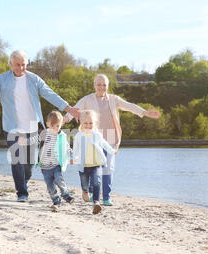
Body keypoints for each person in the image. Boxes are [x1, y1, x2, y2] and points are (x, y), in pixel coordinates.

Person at [0, 50, 81, 202]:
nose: (20, 68)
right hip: (12, 127)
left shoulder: (34, 79)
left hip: (32, 127)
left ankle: (24, 181)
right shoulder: (2, 79)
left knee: (29, 163)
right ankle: (22, 193)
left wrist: (69, 109)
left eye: (23, 65)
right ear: (11, 64)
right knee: (17, 159)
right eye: (17, 65)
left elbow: (50, 94)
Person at [65, 74, 160, 206]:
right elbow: (75, 109)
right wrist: (64, 119)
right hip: (93, 136)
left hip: (110, 135)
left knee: (108, 167)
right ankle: (93, 194)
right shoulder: (87, 99)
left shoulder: (114, 99)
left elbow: (129, 106)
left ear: (107, 86)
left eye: (104, 85)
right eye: (99, 84)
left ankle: (107, 196)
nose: (101, 87)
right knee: (92, 165)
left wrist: (145, 112)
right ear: (94, 85)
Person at [18, 111, 74, 211]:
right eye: (52, 126)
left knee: (59, 179)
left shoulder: (62, 135)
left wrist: (72, 156)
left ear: (61, 124)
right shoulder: (44, 133)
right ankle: (56, 201)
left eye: (57, 126)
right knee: (50, 187)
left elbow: (67, 147)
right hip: (45, 167)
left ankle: (66, 195)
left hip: (56, 164)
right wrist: (25, 141)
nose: (55, 128)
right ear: (48, 124)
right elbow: (35, 139)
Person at [72, 110, 117, 215]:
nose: (88, 125)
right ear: (81, 123)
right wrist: (74, 158)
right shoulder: (79, 135)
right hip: (83, 166)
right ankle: (85, 191)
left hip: (96, 164)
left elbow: (104, 144)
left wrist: (112, 151)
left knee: (96, 182)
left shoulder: (97, 135)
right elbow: (75, 149)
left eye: (91, 123)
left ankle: (96, 202)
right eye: (85, 123)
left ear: (95, 123)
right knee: (84, 184)